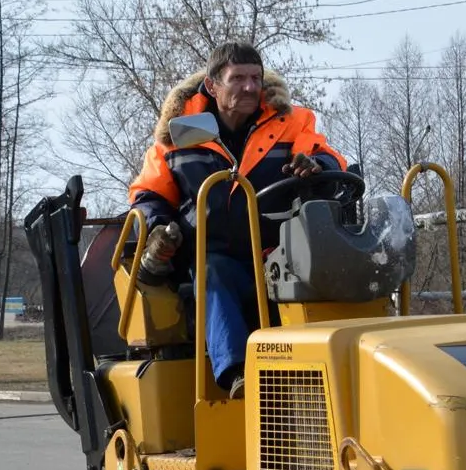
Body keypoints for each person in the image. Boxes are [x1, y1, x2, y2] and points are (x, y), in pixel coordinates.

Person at [128, 42, 348, 396]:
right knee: (211, 270)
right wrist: (157, 232)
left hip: (280, 256)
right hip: (217, 259)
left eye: (256, 78)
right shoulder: (178, 136)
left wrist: (316, 166)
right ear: (213, 86)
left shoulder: (290, 122)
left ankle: (336, 375)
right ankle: (237, 375)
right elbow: (148, 196)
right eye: (238, 78)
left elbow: (329, 158)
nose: (249, 87)